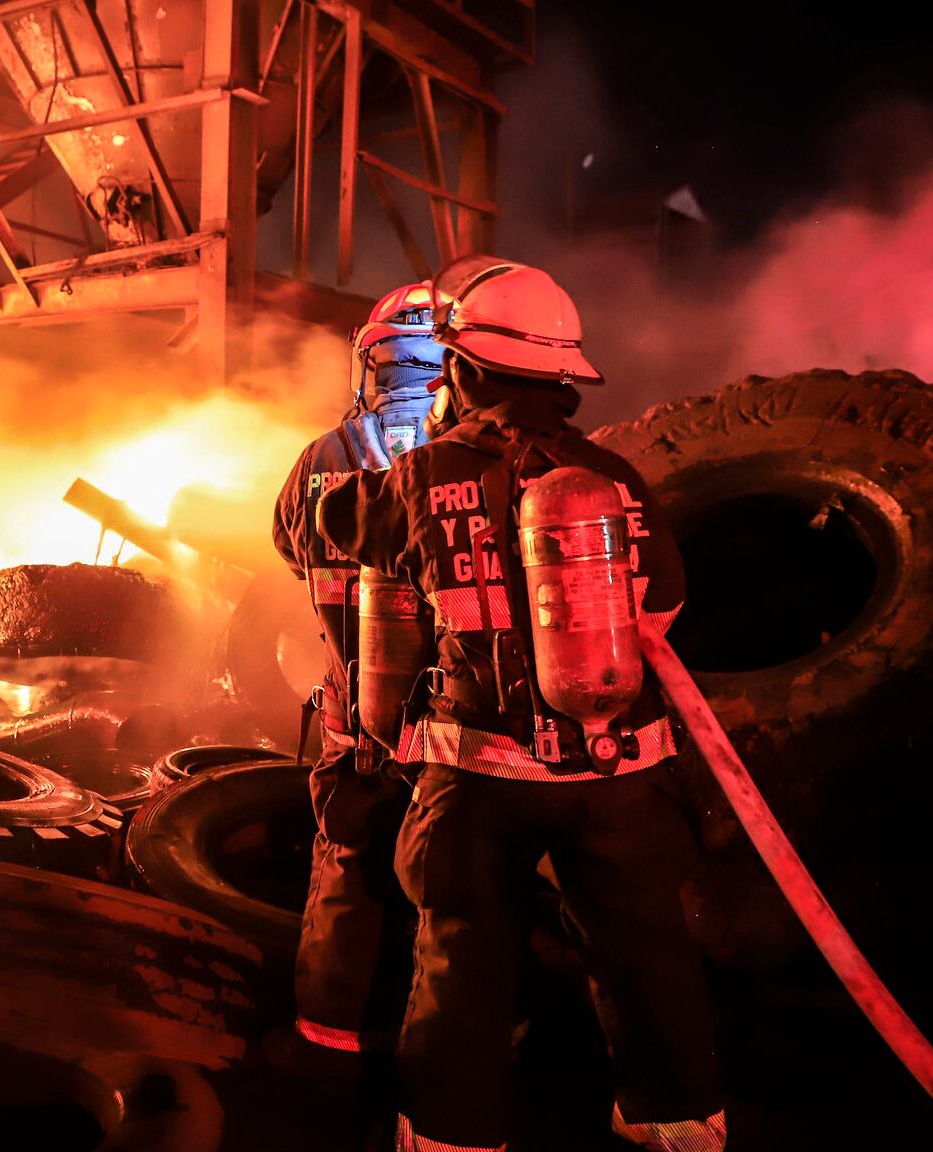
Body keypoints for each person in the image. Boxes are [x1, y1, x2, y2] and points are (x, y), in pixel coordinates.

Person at [315, 257, 724, 1152]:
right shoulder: (615, 476)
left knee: (461, 953)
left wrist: (369, 435)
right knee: (646, 949)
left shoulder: (420, 478)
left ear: (460, 371)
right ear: (567, 379)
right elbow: (663, 604)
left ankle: (453, 1135)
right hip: (620, 768)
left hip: (480, 774)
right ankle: (679, 1120)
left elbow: (311, 531)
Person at [270, 281, 441, 1068]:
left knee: (348, 863)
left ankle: (328, 1037)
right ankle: (444, 1040)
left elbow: (286, 544)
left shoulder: (322, 459)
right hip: (459, 728)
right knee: (456, 888)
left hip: (354, 717)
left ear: (368, 362)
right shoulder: (473, 458)